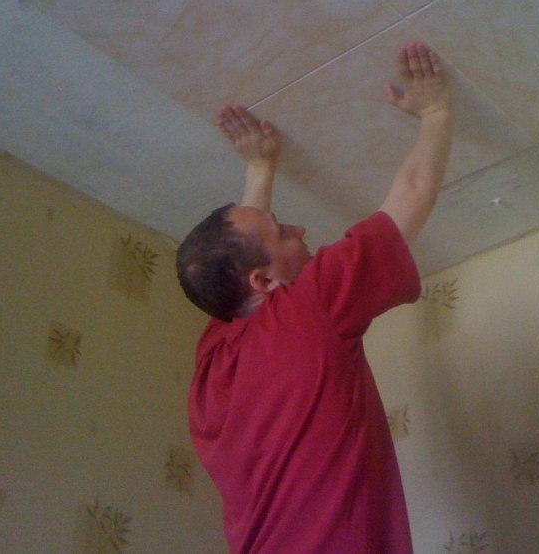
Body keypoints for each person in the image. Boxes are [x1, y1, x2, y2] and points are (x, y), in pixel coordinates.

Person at [178, 41, 452, 553]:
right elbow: (414, 192)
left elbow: (239, 266)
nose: (301, 229)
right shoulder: (312, 305)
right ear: (262, 282)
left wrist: (260, 170)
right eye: (283, 231)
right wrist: (436, 111)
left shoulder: (212, 364)